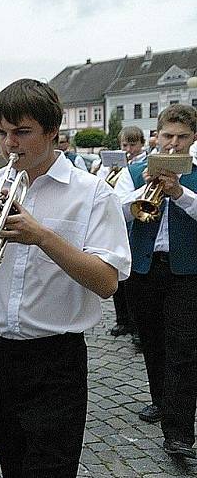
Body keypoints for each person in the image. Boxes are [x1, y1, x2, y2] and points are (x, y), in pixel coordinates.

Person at [0, 79, 131, 477]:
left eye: (22, 132)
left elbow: (106, 282)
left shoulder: (92, 193)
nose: (10, 144)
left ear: (52, 131)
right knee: (12, 461)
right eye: (3, 132)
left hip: (55, 359)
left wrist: (41, 236)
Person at [113, 104, 197, 460]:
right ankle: (161, 401)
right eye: (167, 136)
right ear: (156, 135)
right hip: (144, 270)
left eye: (181, 138)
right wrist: (143, 191)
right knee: (152, 342)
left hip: (186, 271)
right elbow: (113, 209)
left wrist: (179, 192)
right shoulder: (134, 172)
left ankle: (178, 433)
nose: (173, 144)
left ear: (193, 139)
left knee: (184, 348)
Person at [96, 126, 146, 339]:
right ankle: (122, 320)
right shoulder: (112, 167)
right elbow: (103, 189)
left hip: (135, 225)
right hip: (116, 226)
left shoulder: (145, 165)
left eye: (132, 144)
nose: (128, 149)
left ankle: (136, 325)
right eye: (124, 145)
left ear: (141, 144)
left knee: (133, 279)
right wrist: (107, 172)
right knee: (117, 274)